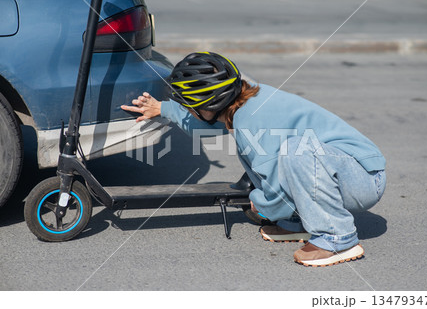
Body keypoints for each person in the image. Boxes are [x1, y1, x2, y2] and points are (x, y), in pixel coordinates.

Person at [121, 52, 386, 267]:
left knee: (297, 151)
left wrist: (261, 205)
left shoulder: (253, 122)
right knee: (291, 154)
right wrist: (164, 109)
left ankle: (338, 238)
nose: (189, 109)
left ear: (211, 105)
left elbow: (277, 196)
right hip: (338, 171)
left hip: (361, 179)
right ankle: (302, 223)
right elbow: (207, 126)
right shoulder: (244, 103)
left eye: (189, 105)